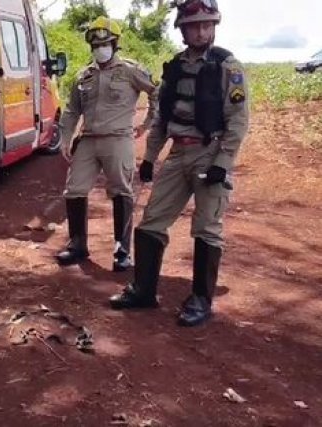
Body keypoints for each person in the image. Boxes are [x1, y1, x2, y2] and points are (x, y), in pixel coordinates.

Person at [109, 0, 249, 327]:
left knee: (206, 228)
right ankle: (143, 290)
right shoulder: (174, 67)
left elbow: (238, 121)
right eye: (194, 25)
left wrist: (222, 162)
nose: (201, 31)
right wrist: (149, 158)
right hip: (178, 153)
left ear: (215, 26)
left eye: (207, 24)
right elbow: (161, 118)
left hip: (210, 151)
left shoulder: (229, 67)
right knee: (151, 221)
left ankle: (201, 299)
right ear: (183, 30)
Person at [56, 16, 158, 272]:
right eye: (95, 44)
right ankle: (77, 244)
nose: (100, 47)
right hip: (89, 139)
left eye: (105, 42)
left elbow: (157, 94)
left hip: (118, 139)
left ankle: (122, 250)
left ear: (115, 43)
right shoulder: (84, 75)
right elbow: (71, 111)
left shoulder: (131, 70)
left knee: (121, 191)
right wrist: (66, 138)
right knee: (75, 188)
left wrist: (146, 125)